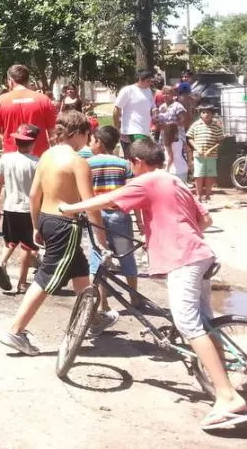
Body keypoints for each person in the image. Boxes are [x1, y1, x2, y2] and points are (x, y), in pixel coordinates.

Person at [61, 139, 247, 432]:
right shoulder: (175, 180)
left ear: (137, 162)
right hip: (200, 253)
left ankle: (227, 395)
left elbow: (111, 200)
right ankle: (219, 376)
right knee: (205, 323)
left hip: (182, 259)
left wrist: (71, 207)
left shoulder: (148, 180)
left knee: (188, 325)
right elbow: (206, 218)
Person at [0, 110, 108, 356]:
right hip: (64, 224)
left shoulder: (46, 155)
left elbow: (33, 195)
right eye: (87, 134)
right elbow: (89, 204)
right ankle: (15, 331)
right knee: (48, 276)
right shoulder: (78, 162)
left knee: (80, 271)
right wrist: (101, 241)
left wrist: (36, 225)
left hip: (47, 220)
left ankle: (94, 320)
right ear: (79, 133)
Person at [85, 126, 140, 331]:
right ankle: (134, 297)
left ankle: (103, 303)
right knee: (126, 255)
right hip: (119, 215)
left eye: (91, 140)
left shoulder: (86, 164)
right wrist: (139, 221)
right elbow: (132, 193)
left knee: (98, 258)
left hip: (95, 215)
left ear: (99, 142)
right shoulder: (124, 164)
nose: (90, 144)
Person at [0, 124, 40, 293]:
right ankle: (23, 282)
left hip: (10, 207)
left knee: (11, 239)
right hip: (28, 209)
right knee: (27, 246)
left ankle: (2, 261)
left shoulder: (5, 159)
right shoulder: (36, 163)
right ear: (33, 143)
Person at [0, 64, 57, 181]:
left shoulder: (0, 102)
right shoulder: (44, 100)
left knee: (14, 196)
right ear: (28, 80)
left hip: (12, 161)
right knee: (40, 197)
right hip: (39, 160)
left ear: (10, 80)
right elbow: (54, 135)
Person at [187, 104, 225, 202]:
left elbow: (220, 140)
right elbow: (190, 137)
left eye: (208, 112)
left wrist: (210, 150)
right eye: (204, 112)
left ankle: (208, 195)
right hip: (198, 155)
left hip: (211, 155)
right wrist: (197, 148)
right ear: (200, 114)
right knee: (199, 175)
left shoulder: (216, 126)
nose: (206, 114)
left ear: (212, 114)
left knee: (210, 175)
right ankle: (199, 195)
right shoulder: (196, 125)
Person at [114, 69, 155, 154]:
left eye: (151, 81)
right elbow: (117, 109)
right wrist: (116, 126)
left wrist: (155, 113)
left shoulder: (148, 91)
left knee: (139, 159)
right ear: (140, 79)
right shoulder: (128, 90)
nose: (150, 83)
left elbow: (151, 107)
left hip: (145, 131)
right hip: (131, 131)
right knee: (139, 156)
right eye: (148, 81)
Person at [157, 85, 187, 175]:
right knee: (166, 155)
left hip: (176, 135)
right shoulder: (161, 107)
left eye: (168, 94)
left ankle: (182, 175)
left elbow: (182, 119)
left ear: (172, 95)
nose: (166, 96)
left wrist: (171, 125)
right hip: (164, 135)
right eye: (164, 94)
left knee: (177, 156)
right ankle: (168, 172)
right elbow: (159, 121)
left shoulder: (177, 106)